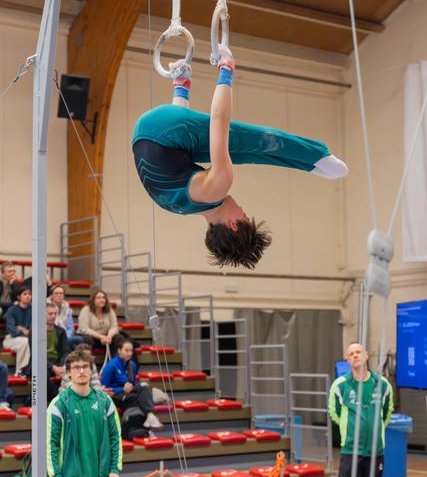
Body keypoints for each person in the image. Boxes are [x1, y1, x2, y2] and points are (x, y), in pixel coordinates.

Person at [132, 47, 348, 269]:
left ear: (234, 225)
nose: (243, 209)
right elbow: (171, 147)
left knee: (249, 141)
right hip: (147, 134)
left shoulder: (216, 189)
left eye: (245, 215)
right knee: (228, 151)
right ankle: (181, 81)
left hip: (163, 130)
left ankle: (316, 157)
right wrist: (181, 88)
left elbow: (219, 120)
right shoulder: (183, 207)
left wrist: (226, 70)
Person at [47, 349, 121, 477]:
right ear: (68, 373)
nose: (81, 371)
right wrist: (56, 476)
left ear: (91, 370)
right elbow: (51, 443)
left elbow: (115, 438)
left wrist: (114, 469)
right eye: (76, 367)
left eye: (85, 367)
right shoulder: (59, 404)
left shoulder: (105, 401)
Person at [328, 342, 393, 477]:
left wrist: (374, 427)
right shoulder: (339, 385)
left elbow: (386, 412)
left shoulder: (383, 384)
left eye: (358, 352)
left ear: (366, 356)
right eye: (351, 354)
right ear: (348, 360)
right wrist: (348, 428)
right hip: (351, 451)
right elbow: (334, 413)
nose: (355, 355)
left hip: (375, 452)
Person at [100, 337, 161, 429]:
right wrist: (122, 389)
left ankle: (149, 416)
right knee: (141, 398)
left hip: (129, 392)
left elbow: (134, 384)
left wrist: (130, 387)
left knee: (143, 388)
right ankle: (150, 409)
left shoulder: (132, 364)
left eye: (131, 351)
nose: (129, 353)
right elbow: (104, 388)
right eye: (126, 350)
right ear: (119, 350)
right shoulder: (111, 365)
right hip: (116, 395)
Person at [3, 286, 32, 376]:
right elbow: (12, 330)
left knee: (26, 341)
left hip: (27, 338)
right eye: (25, 294)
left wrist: (21, 328)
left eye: (30, 294)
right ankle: (20, 370)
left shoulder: (33, 310)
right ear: (19, 297)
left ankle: (25, 370)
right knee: (25, 341)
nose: (28, 296)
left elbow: (31, 330)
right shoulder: (11, 310)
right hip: (10, 339)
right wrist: (23, 331)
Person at [46, 302, 71, 402]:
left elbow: (66, 351)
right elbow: (35, 355)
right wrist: (52, 367)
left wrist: (60, 366)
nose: (53, 316)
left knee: (71, 371)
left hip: (58, 363)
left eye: (55, 313)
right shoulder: (35, 331)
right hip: (42, 364)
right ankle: (56, 399)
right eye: (50, 314)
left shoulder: (61, 331)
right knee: (42, 375)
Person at [49, 285, 83, 349]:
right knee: (72, 345)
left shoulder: (67, 308)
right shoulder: (46, 307)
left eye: (61, 293)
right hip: (51, 334)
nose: (59, 295)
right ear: (51, 295)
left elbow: (70, 327)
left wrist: (66, 337)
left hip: (65, 335)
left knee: (80, 339)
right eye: (56, 293)